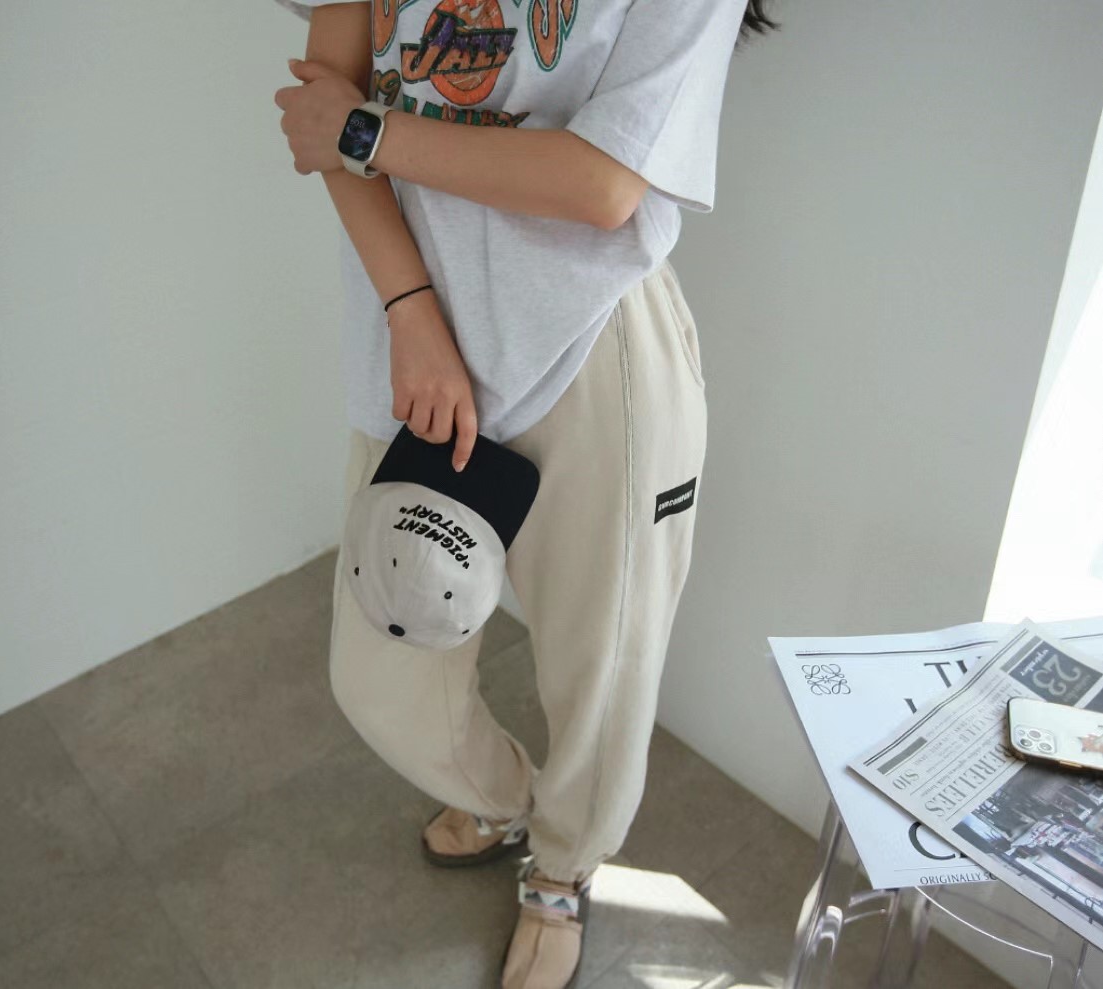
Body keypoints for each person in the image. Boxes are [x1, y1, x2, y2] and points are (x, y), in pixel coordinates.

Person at [272, 1, 777, 986]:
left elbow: (600, 184)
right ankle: (508, 800)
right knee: (381, 675)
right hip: (413, 347)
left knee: (601, 662)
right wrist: (409, 308)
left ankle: (562, 868)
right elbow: (322, 102)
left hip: (592, 343)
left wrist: (365, 131)